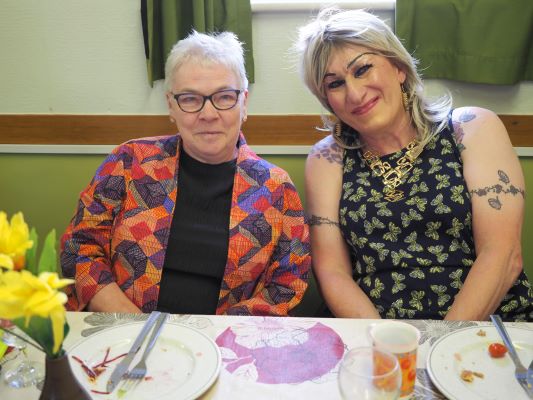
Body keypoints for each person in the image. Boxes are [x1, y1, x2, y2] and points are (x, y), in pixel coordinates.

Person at [294, 7, 532, 321]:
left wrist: (442, 340)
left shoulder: (472, 128)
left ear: (399, 68)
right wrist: (386, 341)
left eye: (362, 69)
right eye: (335, 84)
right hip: (372, 329)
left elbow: (503, 254)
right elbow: (332, 271)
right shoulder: (327, 158)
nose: (354, 93)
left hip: (482, 325)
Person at [61, 31, 310, 316]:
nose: (208, 114)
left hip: (223, 337)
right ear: (171, 106)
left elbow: (287, 284)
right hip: (122, 327)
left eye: (224, 97)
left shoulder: (276, 189)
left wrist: (211, 334)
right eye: (191, 99)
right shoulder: (129, 162)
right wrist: (133, 323)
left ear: (244, 103)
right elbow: (79, 247)